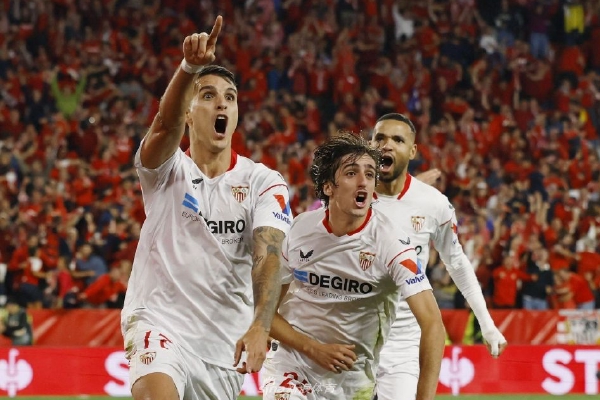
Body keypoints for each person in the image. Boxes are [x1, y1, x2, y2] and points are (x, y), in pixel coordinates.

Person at [120, 16, 291, 400]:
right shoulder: (166, 169)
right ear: (189, 112)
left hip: (222, 346)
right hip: (159, 322)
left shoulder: (264, 182)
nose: (222, 103)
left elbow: (268, 257)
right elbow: (164, 125)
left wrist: (261, 325)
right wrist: (188, 69)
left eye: (230, 97)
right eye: (209, 95)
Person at [262, 132, 445, 400]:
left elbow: (433, 324)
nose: (363, 181)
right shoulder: (299, 230)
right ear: (328, 187)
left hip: (352, 383)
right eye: (351, 173)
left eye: (370, 174)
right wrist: (313, 349)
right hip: (292, 366)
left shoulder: (392, 244)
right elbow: (265, 310)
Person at [368, 113, 507, 400]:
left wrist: (486, 322)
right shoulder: (348, 196)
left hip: (403, 341)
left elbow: (457, 262)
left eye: (397, 140)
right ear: (370, 144)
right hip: (350, 333)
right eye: (379, 138)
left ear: (412, 151)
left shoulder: (433, 203)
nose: (387, 145)